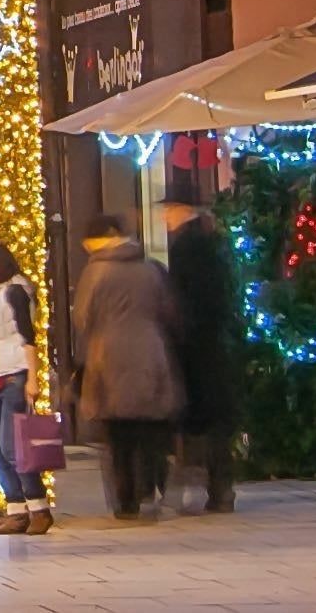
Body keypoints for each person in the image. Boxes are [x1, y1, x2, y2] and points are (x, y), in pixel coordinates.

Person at [71, 213, 182, 519]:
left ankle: (125, 500)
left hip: (109, 357)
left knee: (117, 434)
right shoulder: (150, 269)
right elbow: (168, 310)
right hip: (150, 352)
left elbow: (82, 317)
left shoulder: (96, 273)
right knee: (147, 429)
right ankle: (149, 489)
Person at [0, 239, 53, 534]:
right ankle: (16, 510)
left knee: (14, 446)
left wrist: (33, 378)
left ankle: (38, 507)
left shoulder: (14, 289)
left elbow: (29, 336)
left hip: (15, 375)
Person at [163, 204, 241, 514]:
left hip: (196, 350)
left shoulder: (187, 247)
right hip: (212, 349)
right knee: (215, 425)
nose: (164, 218)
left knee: (201, 422)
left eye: (169, 211)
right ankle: (219, 489)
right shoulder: (207, 243)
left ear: (183, 211)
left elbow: (184, 301)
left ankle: (209, 490)